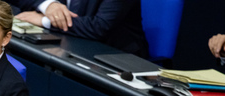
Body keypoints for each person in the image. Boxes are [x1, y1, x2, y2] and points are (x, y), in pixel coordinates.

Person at [11, 0, 148, 58]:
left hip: (112, 55)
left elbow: (99, 26)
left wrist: (44, 20)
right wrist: (47, 4)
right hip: (66, 42)